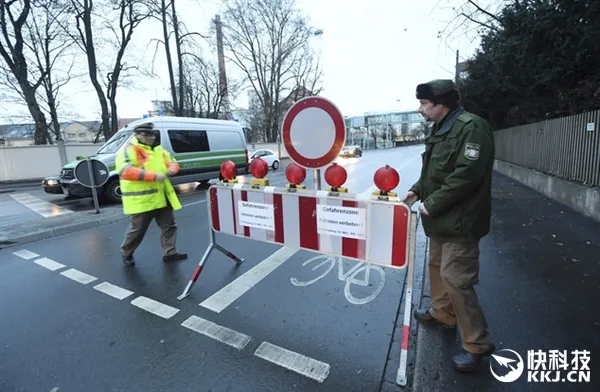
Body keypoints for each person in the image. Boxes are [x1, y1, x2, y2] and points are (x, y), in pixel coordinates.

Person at [402, 79, 495, 372]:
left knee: (457, 280)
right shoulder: (441, 128)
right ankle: (442, 314)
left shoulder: (472, 127)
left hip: (461, 220)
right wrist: (417, 190)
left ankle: (477, 344)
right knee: (437, 269)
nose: (420, 109)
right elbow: (432, 171)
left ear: (442, 103)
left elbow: (467, 174)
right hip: (441, 221)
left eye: (424, 104)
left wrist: (434, 202)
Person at [116, 123, 188, 266]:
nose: (150, 137)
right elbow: (126, 171)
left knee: (169, 226)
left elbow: (173, 163)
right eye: (145, 134)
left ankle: (170, 252)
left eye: (151, 134)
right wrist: (154, 176)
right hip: (143, 199)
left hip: (162, 197)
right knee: (137, 230)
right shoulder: (128, 150)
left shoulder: (159, 150)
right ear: (137, 135)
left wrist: (170, 171)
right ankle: (127, 253)